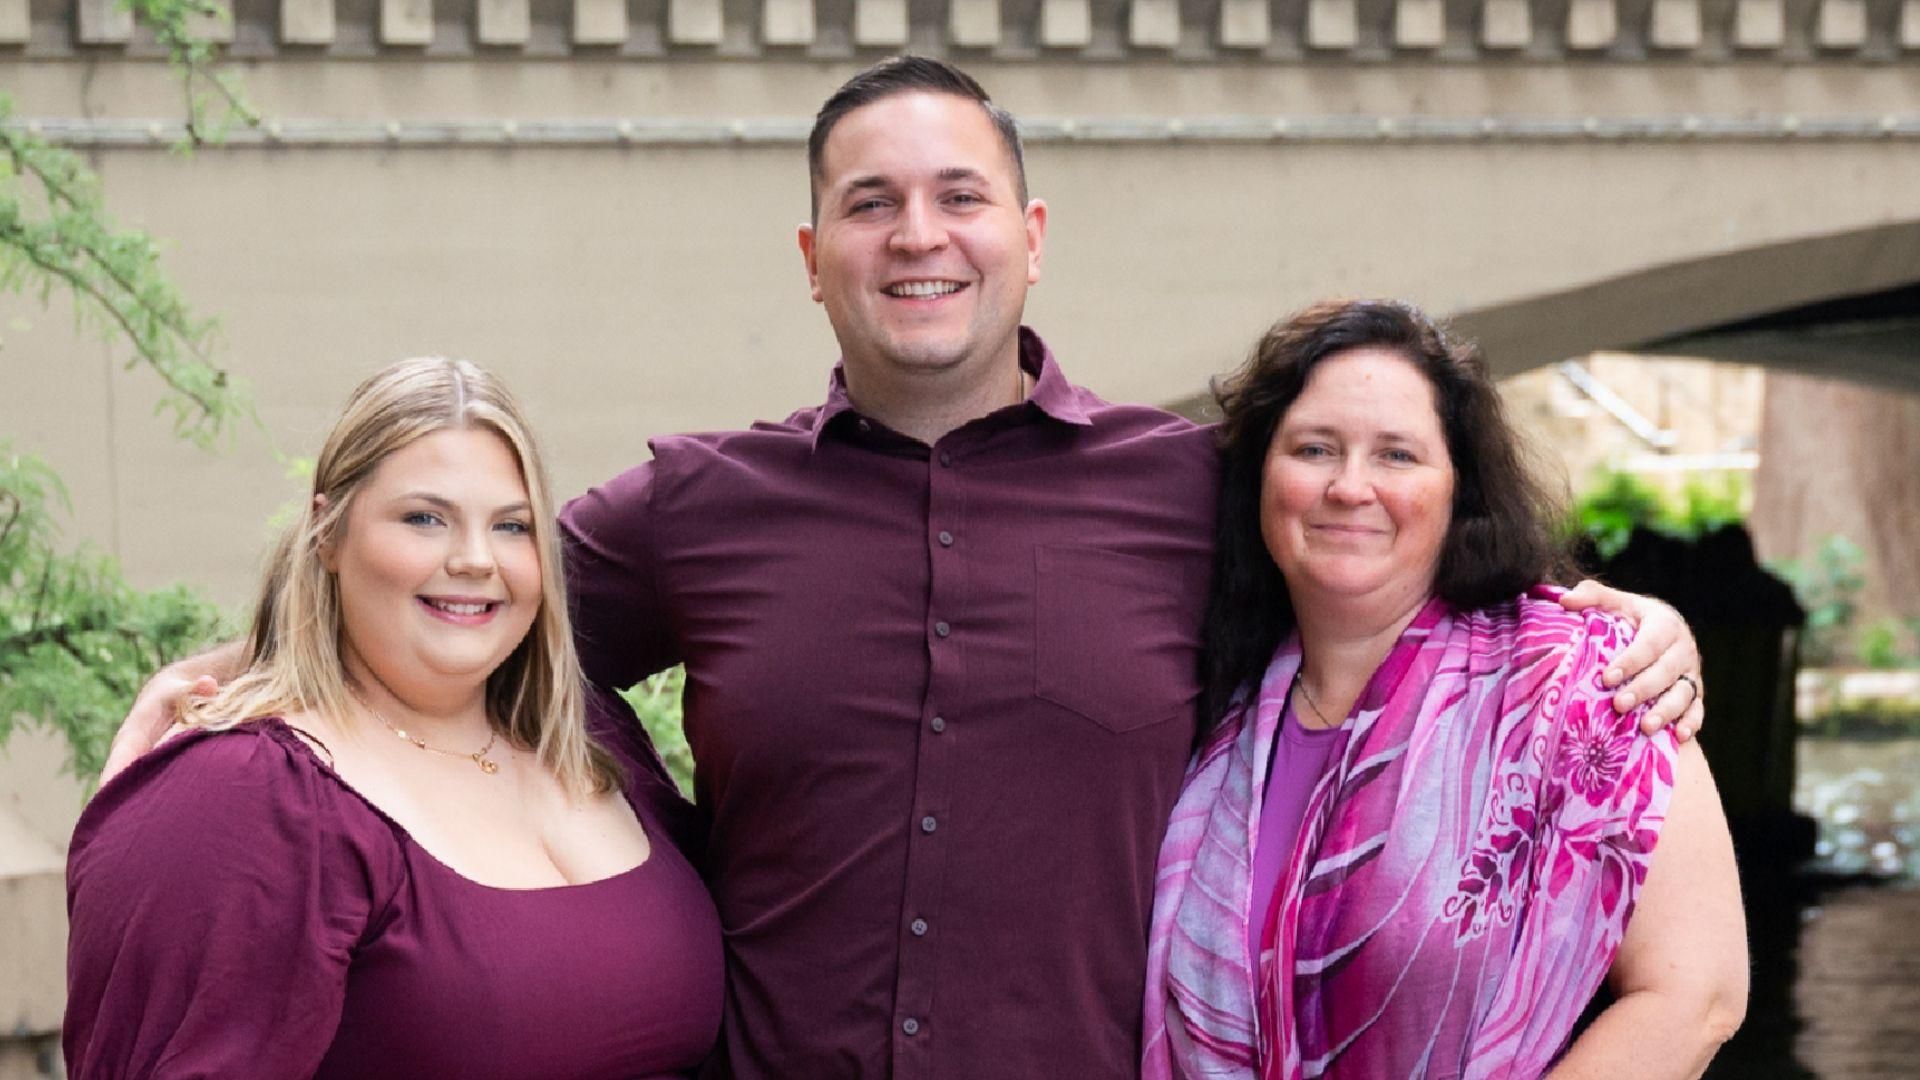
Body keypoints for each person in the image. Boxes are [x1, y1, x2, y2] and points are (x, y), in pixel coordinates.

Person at [107, 59, 1706, 1078]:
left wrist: (1628, 618)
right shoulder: (694, 508)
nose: (916, 236)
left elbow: (1390, 579)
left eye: (958, 197)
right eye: (868, 205)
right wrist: (239, 704)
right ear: (814, 260)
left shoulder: (1194, 494)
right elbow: (464, 609)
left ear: (1030, 232)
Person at [66, 358, 724, 1078]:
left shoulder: (593, 743)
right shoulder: (246, 793)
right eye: (425, 519)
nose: (476, 560)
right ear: (326, 533)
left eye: (512, 526)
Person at [1141, 301, 1747, 1079]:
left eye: (1397, 456)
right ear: (1261, 476)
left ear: (1459, 491)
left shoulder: (1582, 681)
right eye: (1315, 448)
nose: (1350, 486)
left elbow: (1697, 995)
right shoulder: (1212, 709)